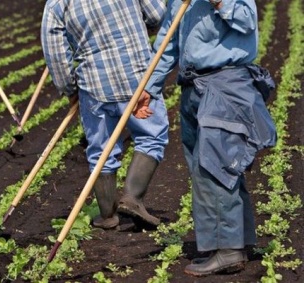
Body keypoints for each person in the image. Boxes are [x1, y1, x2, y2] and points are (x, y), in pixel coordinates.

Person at [143, 0, 277, 276]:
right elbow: (168, 42)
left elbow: (247, 20)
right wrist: (148, 86)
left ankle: (228, 250)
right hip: (193, 86)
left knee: (216, 167)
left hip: (224, 85)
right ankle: (235, 241)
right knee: (204, 168)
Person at [41, 0, 169, 229]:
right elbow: (156, 14)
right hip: (137, 76)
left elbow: (55, 52)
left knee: (101, 148)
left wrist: (69, 88)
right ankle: (132, 199)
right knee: (151, 136)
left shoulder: (56, 4)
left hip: (94, 85)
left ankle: (108, 216)